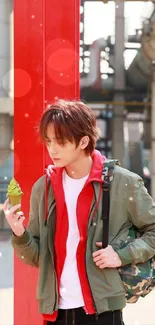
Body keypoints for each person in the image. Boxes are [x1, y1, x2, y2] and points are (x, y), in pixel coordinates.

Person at [2, 99, 155, 325]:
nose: (52, 149)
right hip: (56, 312)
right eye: (48, 141)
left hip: (102, 310)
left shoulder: (123, 183)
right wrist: (19, 232)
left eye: (61, 142)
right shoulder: (43, 188)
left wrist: (121, 255)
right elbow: (37, 258)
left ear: (84, 141)